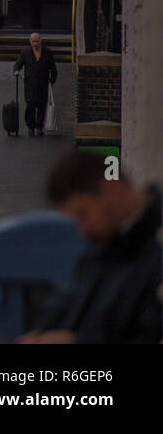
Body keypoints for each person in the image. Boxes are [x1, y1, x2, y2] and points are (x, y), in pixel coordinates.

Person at [19, 149, 161, 344]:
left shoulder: (151, 251)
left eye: (83, 214)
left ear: (112, 190)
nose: (82, 229)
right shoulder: (105, 244)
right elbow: (66, 305)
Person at [13, 31, 58, 137]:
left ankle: (39, 127)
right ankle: (31, 127)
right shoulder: (25, 52)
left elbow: (53, 68)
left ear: (41, 41)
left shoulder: (47, 53)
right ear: (30, 42)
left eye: (37, 41)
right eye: (33, 42)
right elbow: (18, 63)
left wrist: (52, 81)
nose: (35, 44)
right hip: (30, 84)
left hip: (42, 84)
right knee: (30, 106)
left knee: (42, 106)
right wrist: (16, 70)